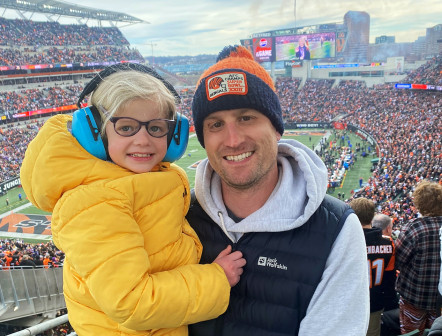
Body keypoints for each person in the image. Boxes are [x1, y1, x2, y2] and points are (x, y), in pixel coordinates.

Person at [20, 63, 246, 336]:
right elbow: (132, 302)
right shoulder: (96, 202)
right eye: (126, 127)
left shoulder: (141, 183)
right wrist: (216, 279)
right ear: (96, 133)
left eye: (156, 127)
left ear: (174, 135)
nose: (143, 140)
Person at [186, 45, 369, 336]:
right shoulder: (179, 215)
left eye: (246, 117)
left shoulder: (337, 229)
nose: (232, 140)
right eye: (216, 124)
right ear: (204, 139)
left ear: (276, 128)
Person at [396, 180, 442, 335]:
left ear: (419, 203)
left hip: (414, 296)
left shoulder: (413, 227)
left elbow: (399, 260)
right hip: (439, 299)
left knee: (412, 332)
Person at [349, 197, 397, 336]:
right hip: (374, 301)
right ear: (372, 217)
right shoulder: (388, 243)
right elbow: (389, 277)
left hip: (350, 300)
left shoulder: (344, 240)